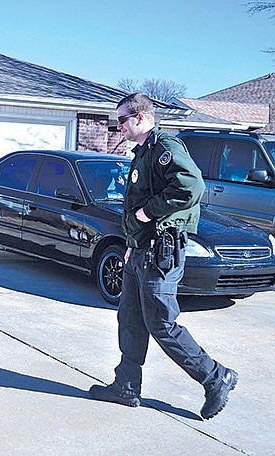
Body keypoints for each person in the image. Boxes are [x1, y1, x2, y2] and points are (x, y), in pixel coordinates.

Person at [89, 93, 238, 420]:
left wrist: (147, 213)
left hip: (161, 250)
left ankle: (216, 377)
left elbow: (190, 187)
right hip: (140, 249)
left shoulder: (165, 148)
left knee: (160, 322)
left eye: (122, 120)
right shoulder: (143, 154)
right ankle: (125, 386)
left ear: (140, 118)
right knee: (129, 317)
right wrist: (132, 240)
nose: (119, 127)